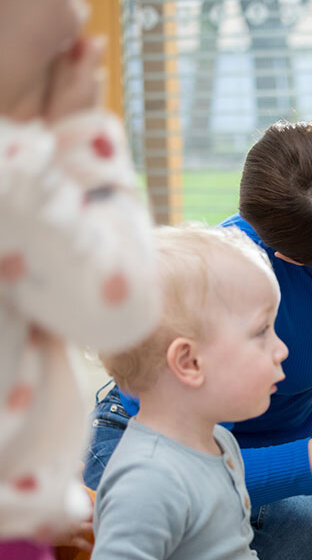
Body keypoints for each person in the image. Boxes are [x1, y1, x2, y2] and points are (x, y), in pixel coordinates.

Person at [84, 121, 312, 559]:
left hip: (263, 442)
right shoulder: (236, 276)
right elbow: (193, 461)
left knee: (306, 529)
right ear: (294, 261)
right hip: (164, 437)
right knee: (301, 533)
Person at [0, 0, 160, 557]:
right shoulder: (17, 176)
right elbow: (126, 307)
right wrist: (86, 138)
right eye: (66, 48)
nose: (88, 57)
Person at [93, 226, 287, 559]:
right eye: (261, 332)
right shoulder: (148, 481)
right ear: (190, 361)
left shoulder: (220, 442)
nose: (281, 349)